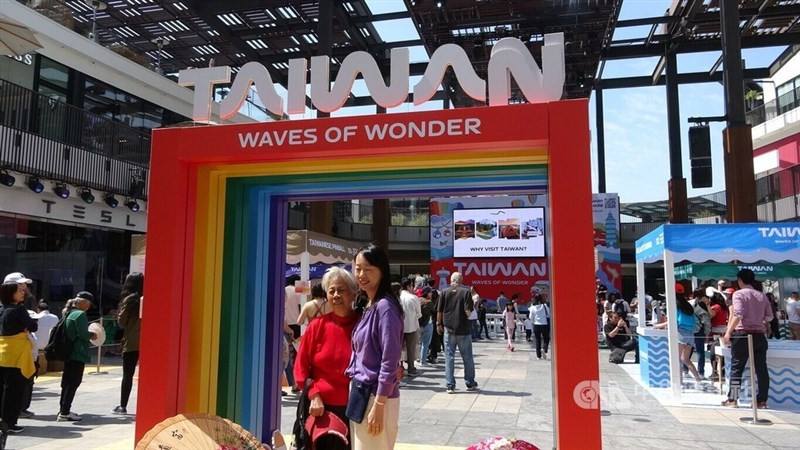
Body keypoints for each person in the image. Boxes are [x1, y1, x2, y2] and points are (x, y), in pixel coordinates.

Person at [294, 267, 360, 450]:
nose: (336, 295)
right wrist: (314, 394)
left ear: (353, 294)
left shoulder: (363, 325)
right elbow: (300, 369)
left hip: (359, 409)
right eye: (332, 291)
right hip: (323, 410)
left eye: (341, 290)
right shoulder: (317, 326)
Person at [345, 244, 403, 450]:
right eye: (358, 268)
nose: (361, 275)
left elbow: (390, 360)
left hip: (375, 397)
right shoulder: (370, 305)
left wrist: (379, 404)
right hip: (361, 392)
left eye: (368, 269)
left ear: (382, 270)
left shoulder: (385, 308)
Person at [722, 269, 773, 408]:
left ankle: (733, 399)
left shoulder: (738, 294)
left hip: (742, 334)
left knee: (737, 368)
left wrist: (728, 333)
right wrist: (759, 319)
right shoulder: (762, 295)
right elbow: (769, 317)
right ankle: (761, 400)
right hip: (759, 335)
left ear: (740, 280)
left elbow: (738, 314)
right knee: (761, 369)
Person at [0, 281, 38, 433]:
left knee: (3, 389)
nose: (23, 293)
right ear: (11, 293)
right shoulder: (19, 309)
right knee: (14, 391)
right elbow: (33, 326)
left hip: (2, 352)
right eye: (20, 291)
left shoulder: (2, 309)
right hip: (16, 355)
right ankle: (9, 423)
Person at [437, 272, 478, 394]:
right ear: (461, 280)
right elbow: (468, 311)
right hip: (463, 329)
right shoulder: (466, 292)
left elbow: (439, 310)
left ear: (451, 280)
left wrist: (439, 324)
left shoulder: (444, 292)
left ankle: (450, 385)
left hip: (448, 329)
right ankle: (470, 382)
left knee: (449, 357)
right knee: (467, 357)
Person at [58, 291, 95, 422]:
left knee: (66, 382)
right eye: (89, 303)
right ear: (83, 302)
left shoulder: (68, 313)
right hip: (77, 353)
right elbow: (83, 335)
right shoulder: (80, 314)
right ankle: (65, 412)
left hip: (68, 352)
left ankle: (63, 409)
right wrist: (93, 335)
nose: (89, 306)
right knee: (73, 382)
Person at [655, 284, 702, 382]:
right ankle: (698, 380)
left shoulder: (675, 305)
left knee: (676, 359)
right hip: (690, 334)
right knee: (685, 359)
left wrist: (657, 326)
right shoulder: (688, 305)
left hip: (681, 333)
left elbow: (673, 322)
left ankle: (679, 382)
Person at [20, 301, 57, 419]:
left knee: (28, 387)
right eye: (33, 320)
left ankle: (24, 408)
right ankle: (20, 409)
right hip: (24, 363)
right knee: (23, 388)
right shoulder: (22, 335)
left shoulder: (31, 334)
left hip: (32, 362)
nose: (35, 322)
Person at [114, 272, 143, 415]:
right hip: (147, 341)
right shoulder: (148, 296)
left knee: (128, 374)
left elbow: (121, 321)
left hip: (131, 341)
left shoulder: (130, 299)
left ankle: (123, 405)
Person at [398, 277, 421, 375]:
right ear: (408, 286)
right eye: (412, 286)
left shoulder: (397, 297)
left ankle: (400, 366)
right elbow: (419, 314)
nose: (413, 288)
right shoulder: (413, 298)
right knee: (410, 348)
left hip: (398, 327)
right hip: (411, 326)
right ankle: (411, 368)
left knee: (399, 348)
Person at [284, 275, 302, 391]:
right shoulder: (299, 290)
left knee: (287, 355)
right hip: (297, 324)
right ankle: (297, 382)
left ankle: (293, 382)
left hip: (285, 324)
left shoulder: (284, 290)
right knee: (298, 353)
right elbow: (302, 306)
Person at [689, 289, 711, 378]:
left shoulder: (688, 303)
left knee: (688, 350)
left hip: (689, 329)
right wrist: (707, 333)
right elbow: (706, 320)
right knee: (700, 351)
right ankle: (701, 372)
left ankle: (685, 370)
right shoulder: (702, 305)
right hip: (699, 330)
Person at [708, 291, 729, 379]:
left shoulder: (716, 307)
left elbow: (711, 315)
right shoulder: (725, 308)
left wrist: (707, 305)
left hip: (716, 332)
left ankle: (715, 372)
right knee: (722, 353)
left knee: (713, 353)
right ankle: (722, 372)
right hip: (723, 331)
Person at [417, 286, 435, 367]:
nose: (431, 294)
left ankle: (418, 359)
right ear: (427, 293)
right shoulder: (429, 302)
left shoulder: (418, 300)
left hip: (418, 324)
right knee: (426, 343)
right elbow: (433, 312)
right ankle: (423, 361)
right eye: (430, 292)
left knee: (420, 343)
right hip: (427, 324)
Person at [529, 295, 551, 360]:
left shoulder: (533, 307)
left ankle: (538, 356)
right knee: (546, 338)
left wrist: (533, 322)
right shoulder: (545, 306)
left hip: (536, 325)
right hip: (544, 324)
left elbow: (530, 317)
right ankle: (545, 349)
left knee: (537, 340)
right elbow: (548, 314)